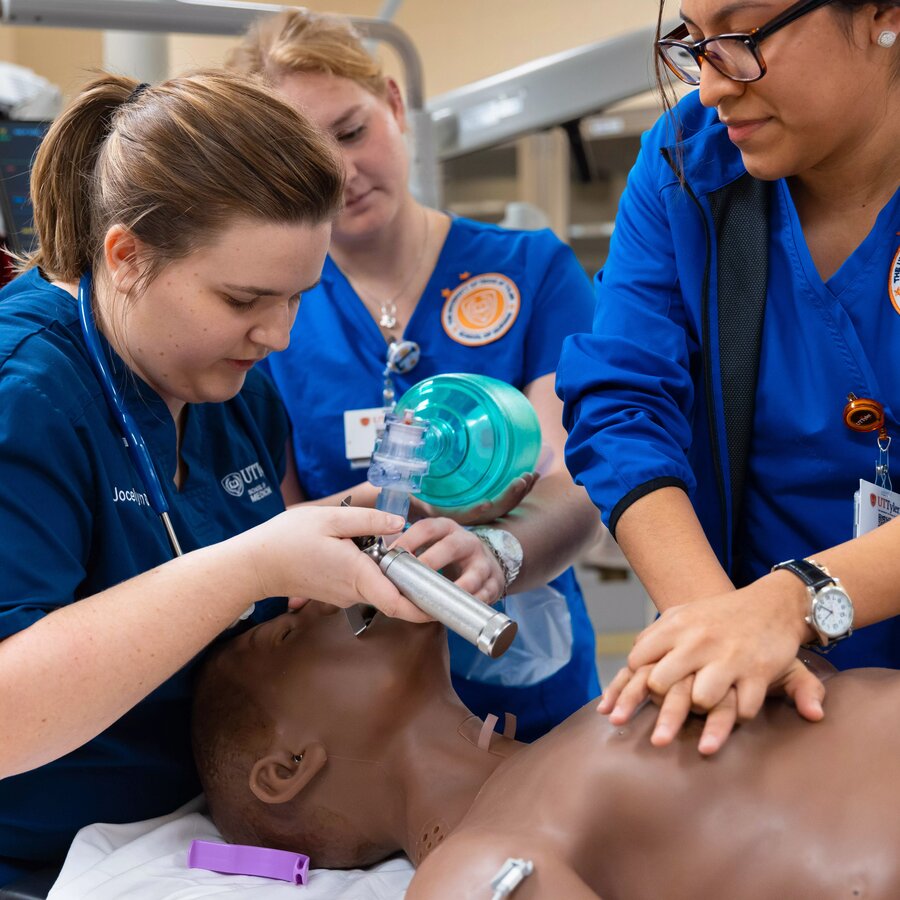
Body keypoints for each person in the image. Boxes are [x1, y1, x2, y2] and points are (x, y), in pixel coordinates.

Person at [0, 70, 440, 888]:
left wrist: (348, 541)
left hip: (194, 835)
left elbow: (244, 570)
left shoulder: (231, 385)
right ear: (125, 256)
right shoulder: (26, 394)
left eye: (299, 298)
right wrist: (255, 561)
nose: (276, 335)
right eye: (243, 299)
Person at [227, 9, 602, 741]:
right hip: (359, 701)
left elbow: (573, 477)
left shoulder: (533, 272)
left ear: (394, 106)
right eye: (306, 156)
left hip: (529, 673)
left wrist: (497, 550)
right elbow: (284, 530)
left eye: (351, 130)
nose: (340, 172)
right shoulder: (274, 317)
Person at [556, 0, 900, 754]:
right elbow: (621, 403)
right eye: (693, 41)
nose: (710, 86)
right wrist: (716, 623)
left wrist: (792, 603)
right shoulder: (689, 162)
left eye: (741, 38)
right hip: (755, 681)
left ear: (883, 13)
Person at [192, 605, 900, 899]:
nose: (317, 603)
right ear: (288, 767)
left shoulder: (569, 738)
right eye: (284, 636)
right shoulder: (473, 865)